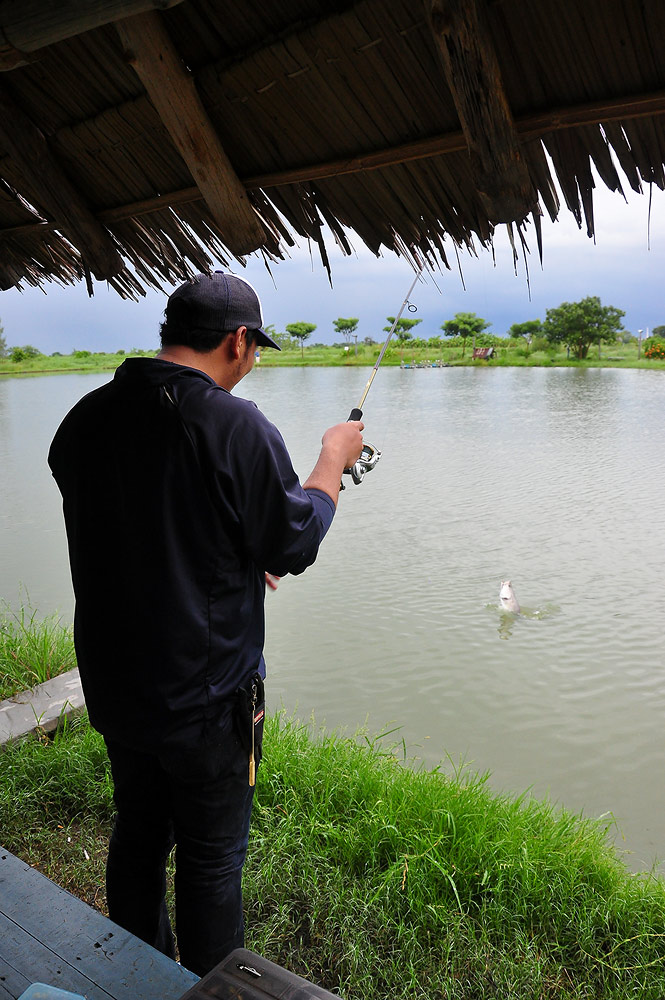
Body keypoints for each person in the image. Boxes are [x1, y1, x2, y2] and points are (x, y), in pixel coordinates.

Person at [48, 270, 364, 975]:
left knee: (137, 831)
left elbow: (137, 526)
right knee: (211, 860)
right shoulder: (234, 421)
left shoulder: (85, 417)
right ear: (238, 340)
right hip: (208, 698)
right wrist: (330, 463)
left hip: (116, 684)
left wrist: (226, 556)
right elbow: (292, 543)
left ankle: (136, 974)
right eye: (254, 349)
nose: (251, 363)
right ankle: (207, 991)